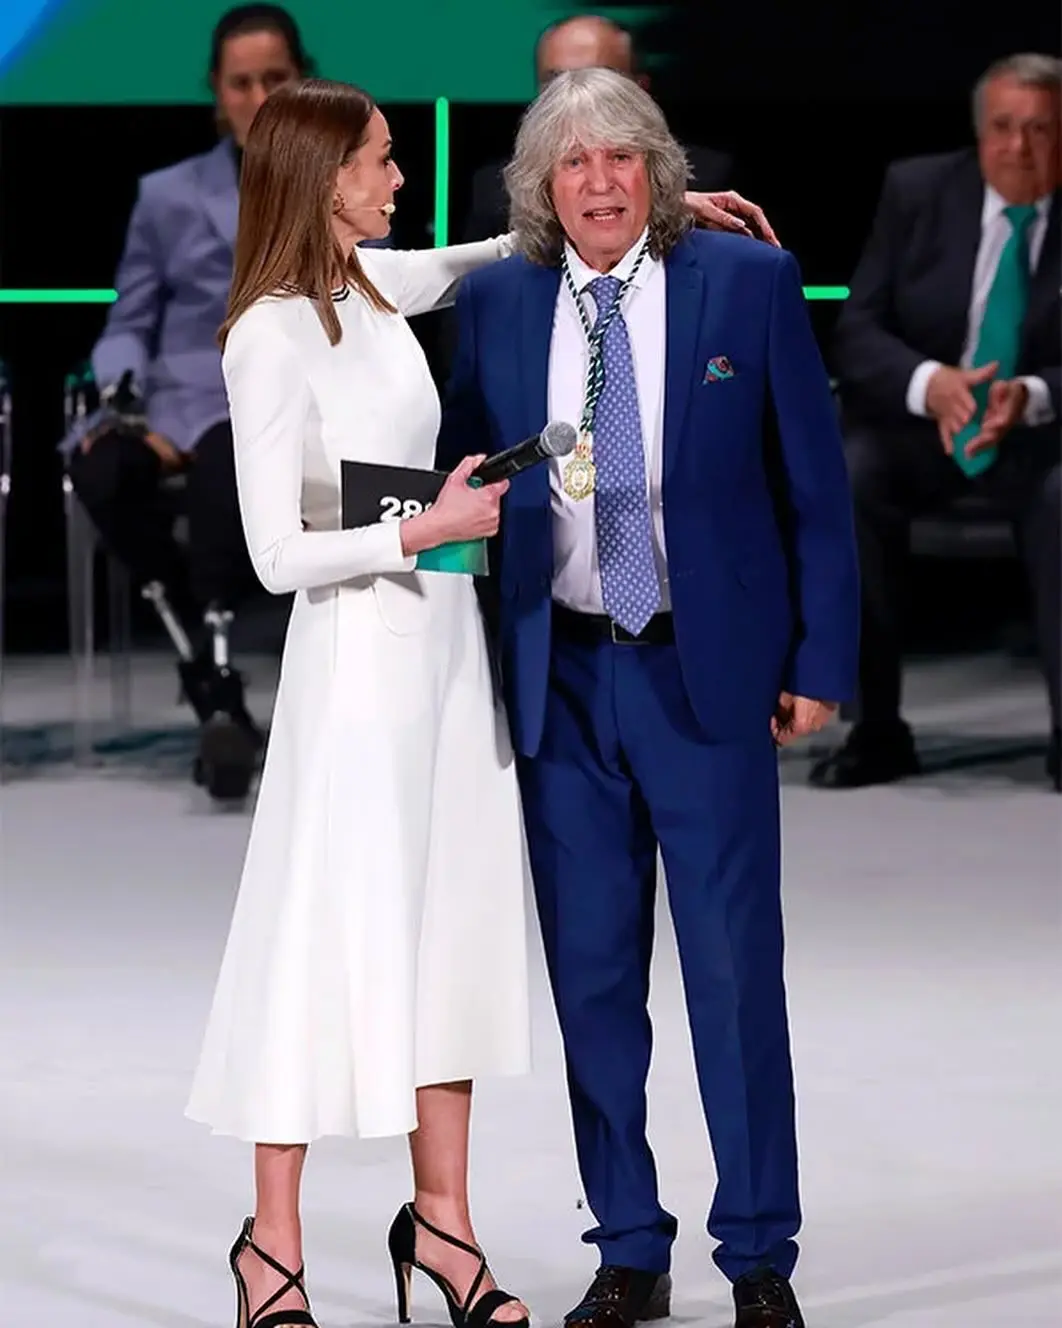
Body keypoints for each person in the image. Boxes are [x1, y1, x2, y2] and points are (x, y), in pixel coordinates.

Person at [183, 76, 766, 1328]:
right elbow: (276, 552)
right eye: (382, 163)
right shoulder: (268, 329)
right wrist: (427, 523)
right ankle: (268, 1248)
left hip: (447, 661)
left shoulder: (369, 285)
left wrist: (657, 208)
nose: (399, 182)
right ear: (320, 174)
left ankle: (441, 1227)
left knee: (442, 934)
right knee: (320, 938)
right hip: (356, 677)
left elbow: (492, 252)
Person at [440, 69, 859, 1328]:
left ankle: (759, 1252)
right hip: (562, 676)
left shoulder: (750, 283)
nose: (602, 181)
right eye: (574, 164)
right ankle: (628, 1240)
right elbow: (464, 480)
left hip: (706, 669)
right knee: (594, 977)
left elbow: (817, 496)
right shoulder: (500, 300)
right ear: (541, 187)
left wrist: (822, 662)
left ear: (659, 171)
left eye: (623, 156)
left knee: (736, 972)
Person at [63, 5, 327, 802]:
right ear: (218, 93)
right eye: (241, 83)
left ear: (299, 81)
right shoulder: (167, 194)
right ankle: (207, 669)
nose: (258, 96)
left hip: (275, 396)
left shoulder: (336, 181)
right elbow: (130, 318)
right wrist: (123, 395)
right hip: (170, 395)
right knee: (101, 471)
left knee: (226, 475)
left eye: (274, 80)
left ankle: (212, 680)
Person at [810, 52, 1061, 792]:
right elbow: (857, 330)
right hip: (921, 428)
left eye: (1042, 130)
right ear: (980, 131)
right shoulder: (919, 190)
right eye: (1004, 128)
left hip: (1042, 433)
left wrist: (1031, 395)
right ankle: (873, 728)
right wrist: (934, 386)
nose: (1019, 148)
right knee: (851, 476)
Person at [461, 14, 734, 244]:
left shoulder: (708, 180)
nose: (574, 95)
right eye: (555, 82)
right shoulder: (496, 191)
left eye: (597, 79)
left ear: (640, 88)